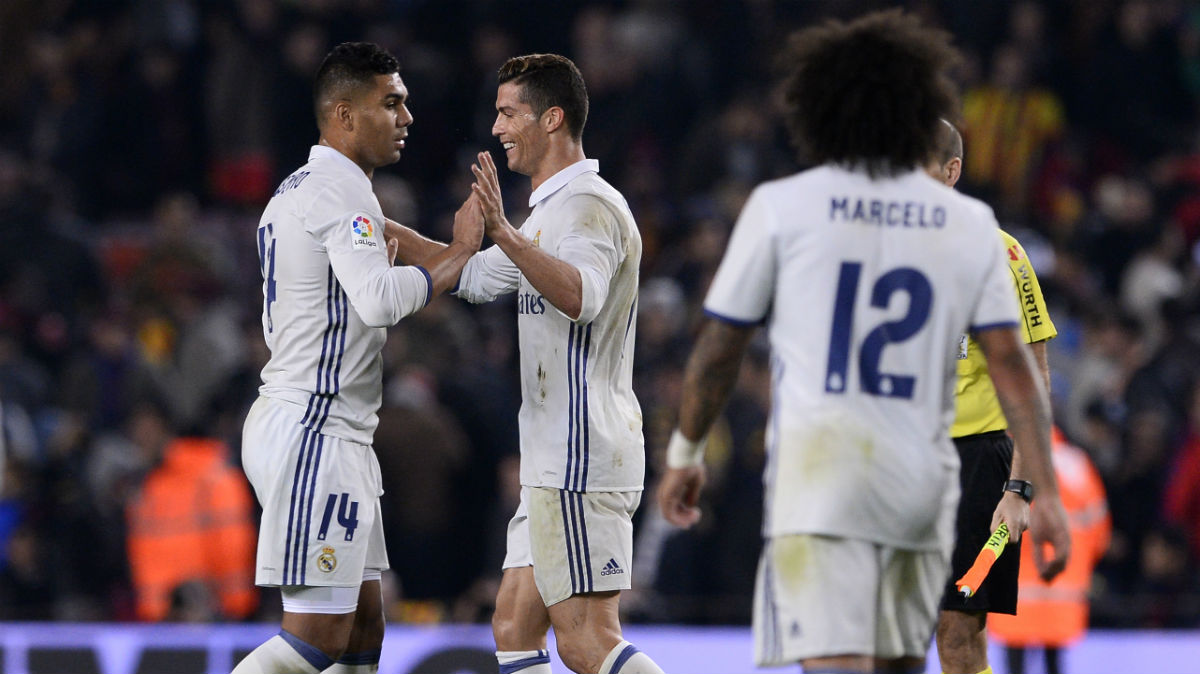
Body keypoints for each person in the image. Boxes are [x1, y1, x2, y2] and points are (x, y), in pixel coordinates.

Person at [655, 11, 1072, 674]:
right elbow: (1020, 374)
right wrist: (1045, 491)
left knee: (866, 650)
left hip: (863, 464)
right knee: (897, 649)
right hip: (895, 466)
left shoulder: (785, 208)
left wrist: (687, 448)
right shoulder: (964, 229)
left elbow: (720, 345)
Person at [388, 53, 664, 674]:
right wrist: (378, 226)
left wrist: (505, 233)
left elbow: (579, 296)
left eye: (508, 112)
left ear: (552, 118)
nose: (496, 127)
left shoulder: (590, 206)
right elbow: (479, 276)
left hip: (580, 456)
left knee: (588, 638)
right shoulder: (548, 213)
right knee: (514, 627)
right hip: (553, 460)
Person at [234, 42, 483, 674]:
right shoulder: (339, 194)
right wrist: (456, 256)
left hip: (327, 429)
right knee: (318, 636)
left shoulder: (305, 188)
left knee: (364, 628)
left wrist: (470, 257)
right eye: (391, 103)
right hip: (315, 431)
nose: (407, 118)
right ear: (344, 114)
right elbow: (376, 300)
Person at [930, 119, 1063, 674]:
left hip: (976, 466)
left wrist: (1021, 489)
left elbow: (1034, 377)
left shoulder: (1000, 253)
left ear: (952, 171)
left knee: (957, 634)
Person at [990, 427, 1111, 674]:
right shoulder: (1075, 464)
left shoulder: (1001, 460)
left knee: (1015, 661)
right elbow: (1100, 531)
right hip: (1063, 590)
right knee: (1055, 662)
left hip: (1013, 592)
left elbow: (981, 524)